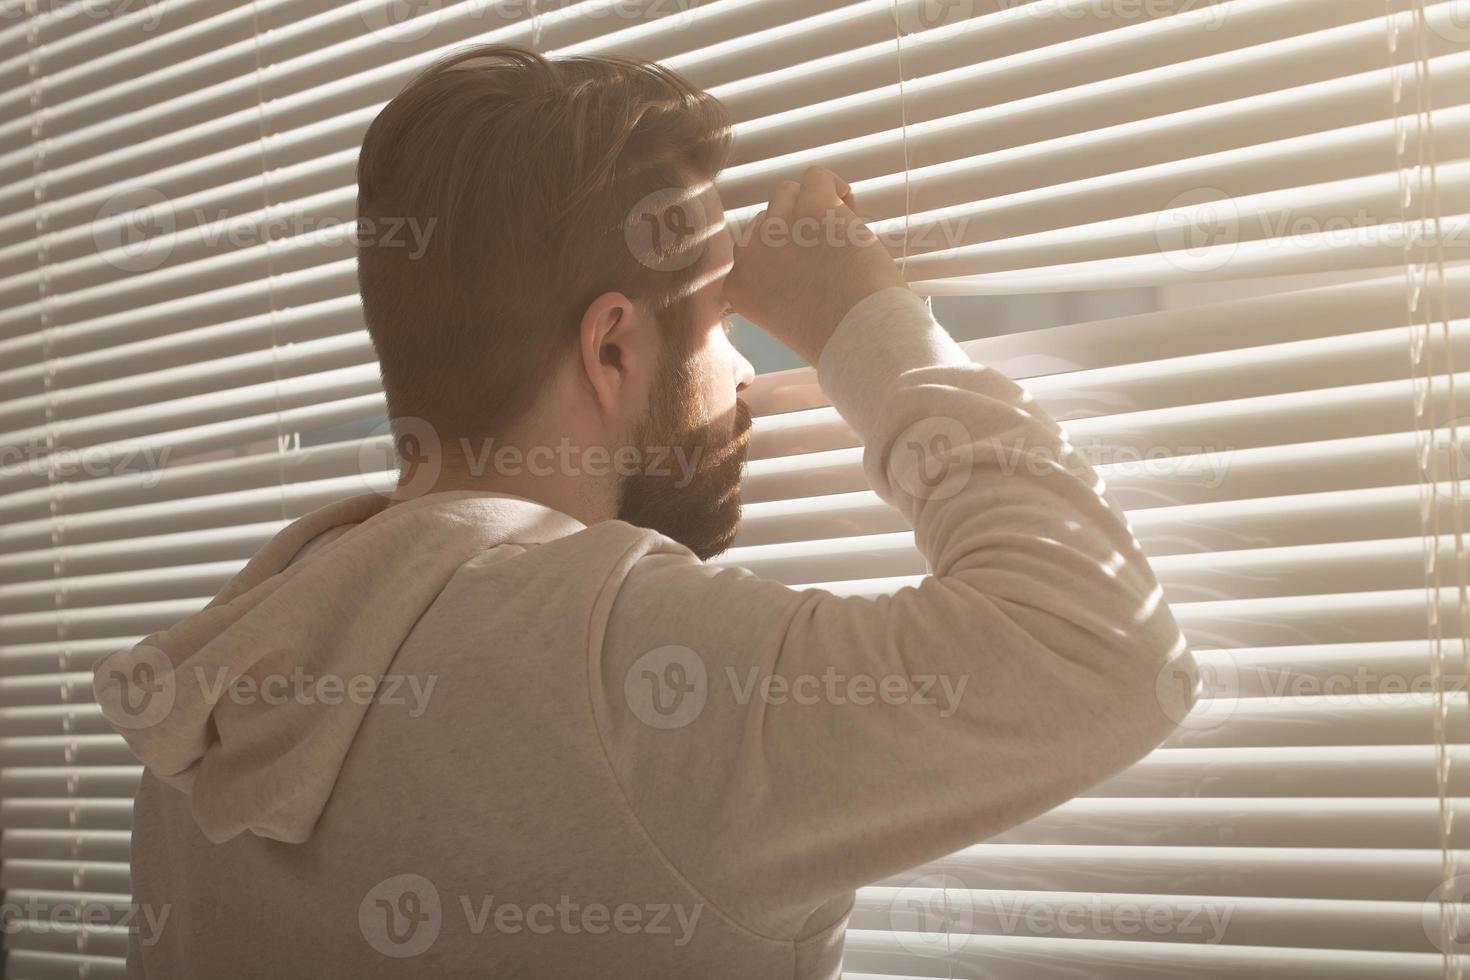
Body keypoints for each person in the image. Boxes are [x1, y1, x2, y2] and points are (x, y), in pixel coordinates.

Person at [94, 43, 1196, 979]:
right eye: (719, 321)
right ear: (613, 345)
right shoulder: (623, 666)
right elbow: (1100, 651)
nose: (749, 380)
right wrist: (863, 316)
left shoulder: (207, 707)